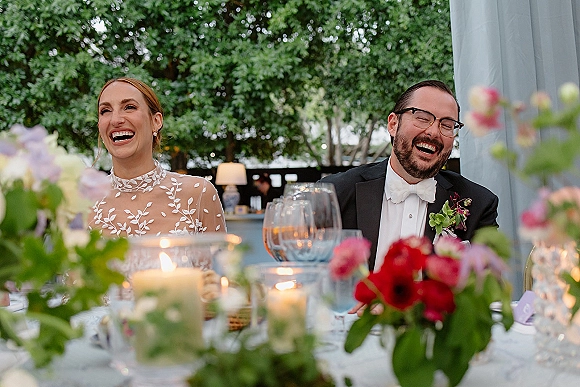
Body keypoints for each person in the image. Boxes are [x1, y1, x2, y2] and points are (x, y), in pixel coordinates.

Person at [321, 80, 499, 271]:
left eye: (447, 125)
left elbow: (490, 287)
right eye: (422, 118)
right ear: (393, 124)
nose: (433, 132)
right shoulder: (335, 194)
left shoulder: (478, 204)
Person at [88, 77, 226, 237]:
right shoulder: (79, 203)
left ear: (156, 121)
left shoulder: (199, 193)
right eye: (105, 111)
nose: (116, 120)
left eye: (129, 107)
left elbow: (222, 262)